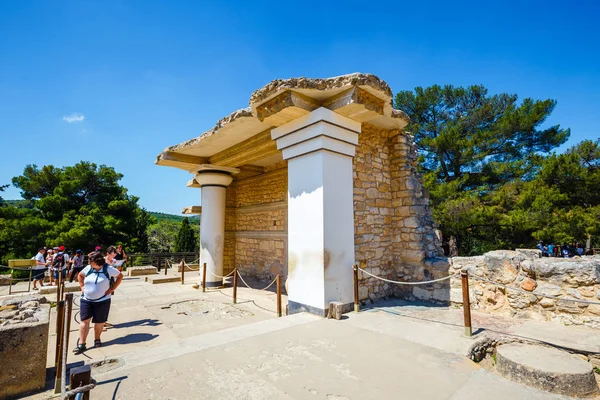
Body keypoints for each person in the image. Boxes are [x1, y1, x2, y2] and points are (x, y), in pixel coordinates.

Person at [73, 252, 123, 354]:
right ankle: (82, 344)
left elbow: (120, 276)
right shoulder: (88, 268)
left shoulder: (108, 269)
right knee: (84, 321)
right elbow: (80, 275)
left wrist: (112, 288)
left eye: (90, 261)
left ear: (96, 261)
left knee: (99, 321)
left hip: (103, 300)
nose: (89, 262)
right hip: (86, 299)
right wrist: (82, 286)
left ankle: (97, 339)